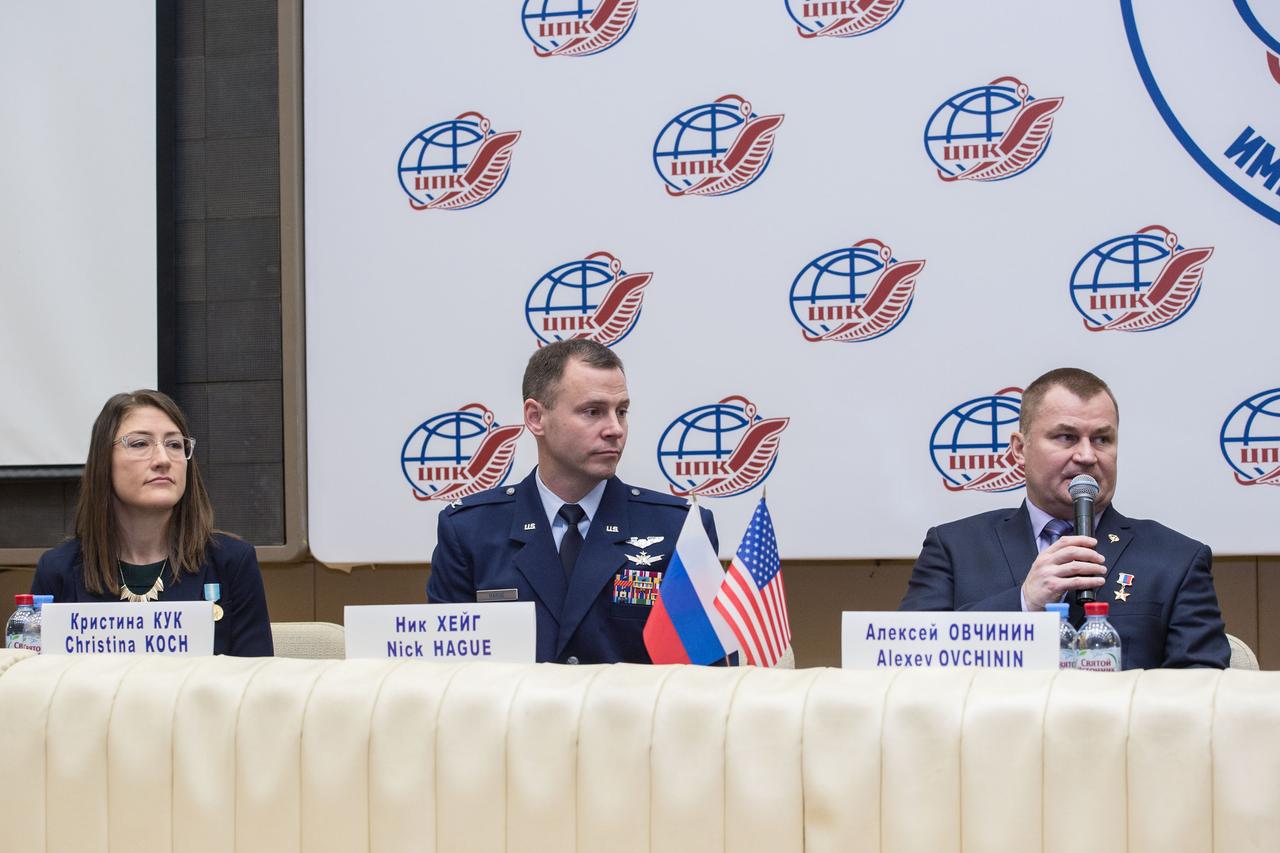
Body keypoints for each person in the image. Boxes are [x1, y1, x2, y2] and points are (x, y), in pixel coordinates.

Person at [900, 367, 1229, 669]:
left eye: (1102, 439)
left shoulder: (1176, 559)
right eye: (1066, 437)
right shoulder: (954, 548)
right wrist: (1024, 603)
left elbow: (1203, 685)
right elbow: (907, 660)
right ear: (1020, 449)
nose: (1087, 456)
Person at [428, 339, 718, 664]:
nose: (615, 429)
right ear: (536, 417)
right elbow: (448, 674)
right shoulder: (470, 531)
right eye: (593, 412)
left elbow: (704, 673)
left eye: (621, 411)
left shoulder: (679, 528)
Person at [32, 390, 273, 656]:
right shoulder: (58, 570)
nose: (163, 460)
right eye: (140, 444)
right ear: (103, 462)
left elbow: (255, 678)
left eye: (175, 445)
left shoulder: (232, 563)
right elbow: (40, 680)